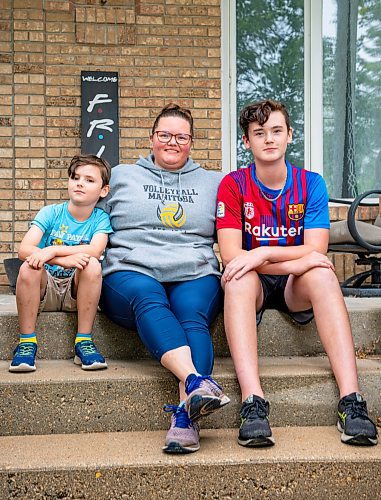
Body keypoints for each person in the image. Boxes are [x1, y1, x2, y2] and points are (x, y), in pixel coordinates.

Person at [216, 99, 378, 447]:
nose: (268, 139)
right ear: (247, 141)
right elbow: (231, 256)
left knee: (321, 274)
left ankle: (351, 401)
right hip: (253, 285)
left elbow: (316, 251)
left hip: (294, 286)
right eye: (259, 133)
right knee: (239, 277)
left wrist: (262, 252)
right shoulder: (233, 184)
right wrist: (297, 259)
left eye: (276, 131)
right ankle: (252, 403)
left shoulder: (311, 183)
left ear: (290, 135)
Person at [99, 103, 229, 454]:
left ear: (192, 141)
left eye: (181, 136)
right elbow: (88, 221)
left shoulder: (215, 182)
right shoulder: (122, 175)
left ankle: (185, 419)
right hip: (131, 268)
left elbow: (234, 229)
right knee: (147, 295)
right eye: (165, 135)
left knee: (191, 316)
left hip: (194, 270)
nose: (173, 142)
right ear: (151, 138)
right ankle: (196, 382)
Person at [10, 154, 113, 373]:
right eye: (75, 177)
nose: (80, 183)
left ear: (103, 190)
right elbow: (24, 250)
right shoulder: (51, 212)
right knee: (29, 266)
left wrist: (52, 249)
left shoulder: (100, 219)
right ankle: (27, 343)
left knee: (92, 265)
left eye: (89, 180)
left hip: (75, 292)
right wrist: (60, 260)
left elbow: (95, 250)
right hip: (44, 289)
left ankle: (83, 342)